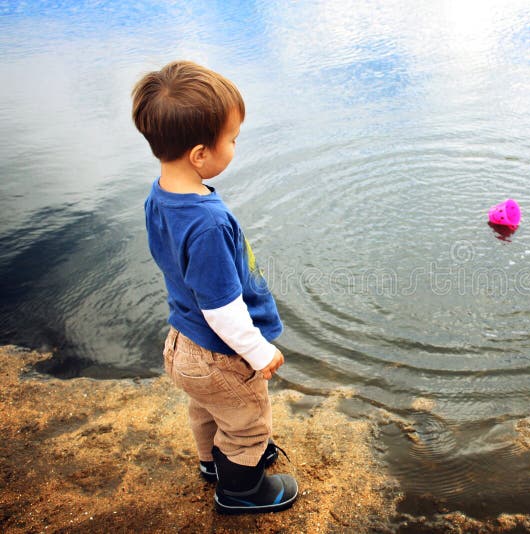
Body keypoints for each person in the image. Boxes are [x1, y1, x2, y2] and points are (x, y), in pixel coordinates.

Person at [132, 60, 298, 515]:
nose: (236, 146)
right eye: (233, 138)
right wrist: (259, 351)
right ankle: (241, 491)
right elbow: (222, 308)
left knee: (208, 409)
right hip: (218, 354)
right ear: (201, 154)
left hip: (182, 343)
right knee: (247, 420)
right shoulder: (207, 222)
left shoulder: (159, 195)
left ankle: (214, 464)